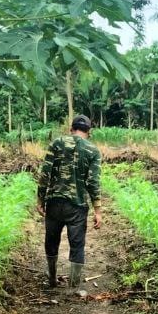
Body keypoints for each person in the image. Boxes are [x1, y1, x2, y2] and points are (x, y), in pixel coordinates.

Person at [37, 115, 102, 294]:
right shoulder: (93, 151)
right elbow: (93, 182)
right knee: (77, 244)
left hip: (54, 203)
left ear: (71, 128)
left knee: (51, 241)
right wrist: (98, 210)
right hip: (77, 205)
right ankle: (74, 287)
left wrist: (40, 199)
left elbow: (45, 174)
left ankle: (51, 279)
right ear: (89, 132)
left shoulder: (56, 143)